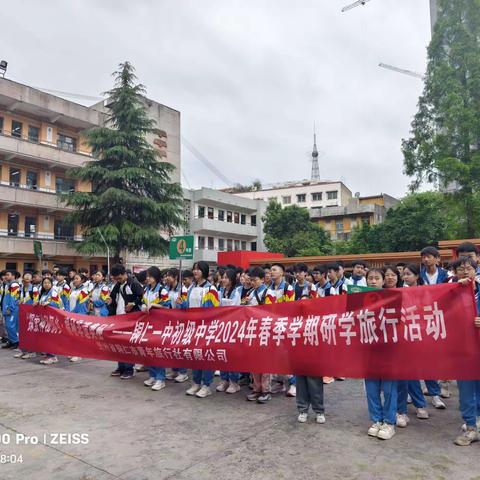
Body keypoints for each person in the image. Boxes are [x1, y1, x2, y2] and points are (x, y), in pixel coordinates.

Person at [363, 268, 397, 440]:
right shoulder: (359, 299)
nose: (373, 281)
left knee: (390, 388)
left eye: (377, 278)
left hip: (389, 350)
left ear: (383, 281)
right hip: (368, 350)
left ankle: (389, 422)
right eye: (370, 278)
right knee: (371, 388)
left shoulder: (394, 297)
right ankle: (376, 420)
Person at [179, 261, 219, 398]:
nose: (195, 272)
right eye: (194, 269)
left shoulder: (211, 289)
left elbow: (215, 310)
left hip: (206, 328)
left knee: (206, 357)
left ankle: (206, 385)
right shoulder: (191, 288)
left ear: (204, 271)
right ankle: (196, 382)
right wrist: (182, 304)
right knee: (195, 355)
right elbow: (189, 306)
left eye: (198, 269)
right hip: (192, 327)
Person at [397, 264, 430, 423]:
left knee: (412, 373)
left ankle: (419, 404)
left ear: (417, 276)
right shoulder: (400, 292)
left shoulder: (426, 292)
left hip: (418, 336)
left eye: (408, 274)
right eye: (403, 275)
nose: (405, 277)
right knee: (403, 374)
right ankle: (404, 408)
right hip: (401, 337)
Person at [454, 257, 480, 446]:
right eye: (460, 269)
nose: (465, 272)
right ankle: (471, 426)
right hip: (462, 350)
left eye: (468, 268)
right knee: (465, 391)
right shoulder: (449, 293)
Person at [419, 247, 448, 408]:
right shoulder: (419, 275)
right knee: (422, 357)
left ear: (438, 259)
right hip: (421, 319)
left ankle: (437, 391)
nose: (426, 260)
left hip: (442, 319)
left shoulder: (446, 276)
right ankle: (427, 393)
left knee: (438, 359)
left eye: (429, 257)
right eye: (423, 257)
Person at [265, 263, 296, 398]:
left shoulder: (289, 288)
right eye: (270, 270)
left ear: (282, 273)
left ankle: (294, 384)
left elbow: (289, 307)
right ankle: (280, 383)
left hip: (285, 325)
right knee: (275, 356)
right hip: (272, 325)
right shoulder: (269, 289)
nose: (271, 272)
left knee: (287, 356)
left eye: (274, 270)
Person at [108, 264, 144, 380]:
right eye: (116, 279)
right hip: (119, 317)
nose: (118, 280)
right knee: (119, 344)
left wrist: (133, 303)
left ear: (124, 274)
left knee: (128, 345)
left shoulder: (133, 284)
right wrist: (110, 300)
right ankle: (121, 367)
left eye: (119, 278)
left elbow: (142, 297)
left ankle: (129, 368)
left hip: (130, 319)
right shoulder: (118, 285)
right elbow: (112, 297)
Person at [142, 266, 171, 392]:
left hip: (159, 324)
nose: (147, 278)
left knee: (157, 351)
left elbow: (168, 307)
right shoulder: (146, 289)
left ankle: (160, 378)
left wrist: (154, 305)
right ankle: (153, 375)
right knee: (149, 350)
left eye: (150, 276)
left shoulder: (162, 290)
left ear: (156, 277)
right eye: (147, 276)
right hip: (148, 323)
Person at [245, 266, 271, 403]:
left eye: (254, 280)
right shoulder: (250, 293)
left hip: (265, 331)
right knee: (255, 362)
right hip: (252, 331)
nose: (252, 283)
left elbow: (271, 312)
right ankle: (256, 389)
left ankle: (266, 390)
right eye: (251, 280)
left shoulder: (268, 293)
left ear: (262, 279)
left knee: (265, 363)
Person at [217, 268, 242, 394]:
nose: (223, 279)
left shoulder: (236, 293)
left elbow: (234, 309)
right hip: (222, 326)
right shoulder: (220, 291)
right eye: (223, 277)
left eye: (226, 277)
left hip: (232, 327)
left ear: (232, 280)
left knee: (231, 355)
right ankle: (224, 379)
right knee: (222, 353)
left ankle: (234, 381)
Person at [164, 268, 189, 383]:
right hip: (170, 321)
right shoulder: (166, 289)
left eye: (169, 276)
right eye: (166, 276)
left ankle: (183, 372)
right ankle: (174, 369)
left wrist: (181, 304)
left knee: (180, 347)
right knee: (171, 346)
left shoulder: (183, 289)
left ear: (175, 277)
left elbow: (184, 305)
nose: (166, 278)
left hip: (180, 321)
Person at [38, 277, 64, 365]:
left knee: (50, 337)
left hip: (53, 318)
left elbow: (57, 304)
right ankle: (48, 354)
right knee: (46, 336)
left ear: (52, 284)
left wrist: (48, 303)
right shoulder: (44, 293)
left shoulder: (53, 292)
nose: (46, 284)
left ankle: (53, 356)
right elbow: (42, 303)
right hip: (45, 318)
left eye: (48, 283)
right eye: (44, 283)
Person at [13, 272, 38, 359]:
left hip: (31, 314)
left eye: (29, 277)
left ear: (31, 279)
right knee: (22, 332)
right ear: (23, 278)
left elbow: (36, 300)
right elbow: (16, 298)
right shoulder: (20, 288)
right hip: (22, 313)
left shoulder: (34, 289)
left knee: (30, 333)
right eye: (25, 277)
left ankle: (31, 351)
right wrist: (18, 302)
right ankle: (22, 350)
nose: (27, 278)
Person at [1, 270, 21, 350]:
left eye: (8, 275)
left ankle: (16, 342)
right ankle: (11, 341)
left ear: (13, 276)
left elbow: (14, 298)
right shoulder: (7, 285)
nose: (5, 276)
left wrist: (10, 308)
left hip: (12, 309)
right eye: (5, 275)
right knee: (7, 326)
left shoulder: (15, 284)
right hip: (6, 308)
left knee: (11, 326)